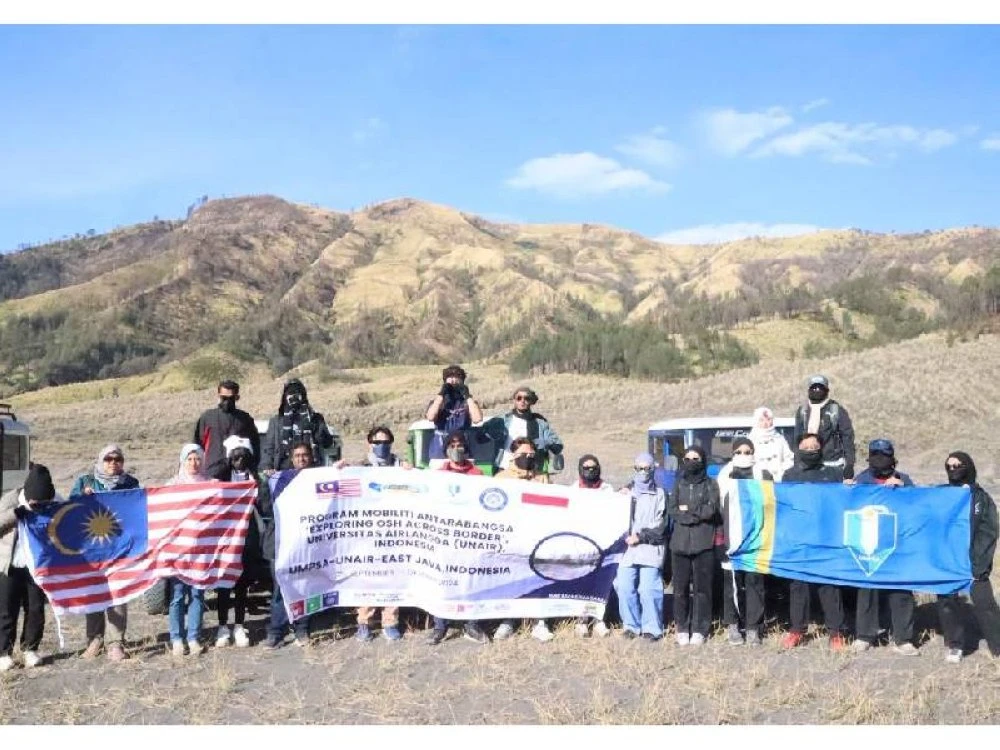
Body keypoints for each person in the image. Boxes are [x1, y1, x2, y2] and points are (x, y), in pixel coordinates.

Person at [71, 444, 141, 662]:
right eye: (108, 459)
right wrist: (82, 497)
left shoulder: (130, 483)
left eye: (117, 459)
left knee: (118, 593)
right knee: (94, 592)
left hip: (119, 548)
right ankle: (94, 639)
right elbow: (69, 509)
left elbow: (139, 509)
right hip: (92, 548)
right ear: (101, 461)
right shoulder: (85, 482)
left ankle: (115, 642)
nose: (113, 463)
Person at [849, 439, 917, 655]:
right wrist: (847, 491)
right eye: (875, 454)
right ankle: (864, 635)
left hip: (897, 545)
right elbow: (849, 508)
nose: (880, 458)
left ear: (892, 457)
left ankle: (903, 639)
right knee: (867, 591)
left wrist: (903, 490)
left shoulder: (903, 479)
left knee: (901, 592)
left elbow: (918, 506)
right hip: (869, 544)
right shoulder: (861, 479)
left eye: (884, 454)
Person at [780, 433, 847, 651]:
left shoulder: (833, 474)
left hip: (826, 537)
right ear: (798, 450)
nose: (810, 450)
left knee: (829, 586)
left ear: (821, 449)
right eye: (805, 447)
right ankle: (797, 630)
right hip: (800, 539)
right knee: (798, 586)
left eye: (814, 446)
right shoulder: (790, 475)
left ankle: (836, 633)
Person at [0, 464, 66, 672]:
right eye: (35, 503)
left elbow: (70, 522)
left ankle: (30, 649)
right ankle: (4, 653)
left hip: (37, 566)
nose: (38, 505)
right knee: (6, 611)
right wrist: (15, 514)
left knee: (36, 609)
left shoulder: (57, 501)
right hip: (10, 565)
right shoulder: (11, 499)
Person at [426, 431, 490, 646]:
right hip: (443, 537)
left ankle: (472, 625)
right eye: (452, 444)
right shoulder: (436, 475)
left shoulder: (478, 474)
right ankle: (439, 626)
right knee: (441, 580)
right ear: (445, 449)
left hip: (470, 537)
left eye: (460, 444)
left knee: (472, 580)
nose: (456, 448)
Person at [936, 451, 1000, 664]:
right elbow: (919, 507)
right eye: (949, 467)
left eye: (958, 466)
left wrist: (978, 563)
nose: (953, 470)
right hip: (947, 561)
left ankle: (997, 645)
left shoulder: (980, 497)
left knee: (986, 605)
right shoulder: (941, 495)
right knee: (947, 604)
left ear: (969, 467)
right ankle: (955, 645)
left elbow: (988, 531)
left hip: (973, 562)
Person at [494, 438, 556, 642]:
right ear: (513, 455)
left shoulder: (543, 478)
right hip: (512, 537)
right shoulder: (501, 478)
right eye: (524, 455)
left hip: (537, 537)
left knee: (539, 578)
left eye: (531, 455)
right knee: (511, 579)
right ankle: (509, 620)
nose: (528, 458)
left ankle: (540, 621)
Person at [353, 425, 410, 641]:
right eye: (377, 443)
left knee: (393, 576)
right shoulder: (361, 467)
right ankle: (364, 622)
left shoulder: (400, 466)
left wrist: (411, 473)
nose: (382, 446)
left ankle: (390, 621)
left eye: (386, 443)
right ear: (370, 443)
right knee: (368, 577)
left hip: (395, 530)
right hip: (368, 531)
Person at [716, 438, 771, 646]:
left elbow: (771, 505)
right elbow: (718, 510)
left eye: (748, 451)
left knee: (755, 583)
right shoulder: (724, 476)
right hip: (731, 539)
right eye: (739, 451)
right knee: (731, 584)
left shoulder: (763, 474)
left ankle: (753, 628)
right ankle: (732, 625)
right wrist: (721, 539)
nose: (743, 454)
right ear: (732, 453)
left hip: (756, 538)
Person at [215, 435, 268, 649]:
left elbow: (264, 504)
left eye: (243, 456)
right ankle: (221, 626)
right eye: (235, 457)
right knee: (223, 583)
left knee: (241, 583)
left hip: (248, 537)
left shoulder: (256, 479)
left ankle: (239, 624)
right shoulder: (220, 480)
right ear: (229, 458)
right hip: (225, 538)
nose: (239, 460)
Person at [261, 441, 315, 648]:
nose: (301, 458)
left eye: (305, 455)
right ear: (292, 459)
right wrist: (267, 482)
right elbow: (265, 507)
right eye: (297, 455)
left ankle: (302, 629)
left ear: (310, 458)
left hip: (306, 543)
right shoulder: (280, 479)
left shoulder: (319, 478)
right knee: (279, 589)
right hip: (280, 542)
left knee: (304, 586)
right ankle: (276, 631)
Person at [667, 445, 720, 647]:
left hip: (703, 543)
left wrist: (690, 514)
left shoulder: (710, 484)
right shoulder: (678, 483)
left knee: (702, 590)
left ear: (703, 460)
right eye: (687, 458)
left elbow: (711, 508)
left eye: (695, 458)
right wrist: (691, 514)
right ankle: (682, 627)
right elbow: (673, 509)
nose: (691, 462)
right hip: (679, 544)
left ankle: (700, 628)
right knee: (679, 589)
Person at [614, 453, 668, 642]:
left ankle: (652, 628)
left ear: (653, 469)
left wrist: (641, 536)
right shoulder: (623, 493)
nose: (643, 472)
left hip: (650, 548)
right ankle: (630, 625)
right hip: (626, 551)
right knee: (624, 586)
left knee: (648, 589)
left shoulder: (661, 494)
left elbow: (663, 526)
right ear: (634, 469)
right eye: (639, 468)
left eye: (647, 468)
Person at [166, 444, 214, 656]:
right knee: (177, 596)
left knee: (197, 595)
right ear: (182, 461)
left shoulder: (210, 484)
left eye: (197, 459)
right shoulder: (172, 486)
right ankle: (176, 638)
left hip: (201, 551)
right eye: (189, 459)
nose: (194, 463)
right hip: (179, 551)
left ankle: (193, 637)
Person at [261, 378, 340, 473]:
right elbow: (269, 448)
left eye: (297, 392)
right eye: (290, 393)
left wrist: (315, 426)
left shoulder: (315, 418)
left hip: (312, 469)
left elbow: (327, 443)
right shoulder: (276, 421)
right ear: (285, 397)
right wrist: (267, 466)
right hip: (284, 471)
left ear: (303, 395)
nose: (293, 396)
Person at [575, 454, 614, 638]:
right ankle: (581, 621)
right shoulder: (573, 489)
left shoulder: (608, 489)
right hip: (580, 542)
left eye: (594, 467)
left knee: (600, 582)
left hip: (602, 543)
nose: (590, 471)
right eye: (586, 467)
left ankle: (599, 620)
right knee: (582, 581)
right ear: (580, 470)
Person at [482, 387, 563, 475]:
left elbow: (557, 445)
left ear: (531, 401)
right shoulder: (503, 420)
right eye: (519, 398)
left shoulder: (540, 423)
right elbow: (483, 432)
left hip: (531, 471)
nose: (522, 401)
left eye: (526, 398)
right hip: (505, 468)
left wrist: (542, 443)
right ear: (514, 400)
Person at [193, 379, 260, 481]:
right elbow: (197, 445)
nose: (227, 402)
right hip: (213, 473)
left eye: (231, 398)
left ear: (237, 397)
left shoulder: (245, 419)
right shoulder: (208, 417)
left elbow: (255, 446)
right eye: (224, 398)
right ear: (219, 396)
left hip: (238, 473)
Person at [793, 375, 856, 481]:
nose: (817, 391)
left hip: (832, 465)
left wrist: (849, 464)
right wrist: (797, 462)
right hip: (807, 464)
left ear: (827, 391)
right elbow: (797, 439)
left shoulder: (836, 410)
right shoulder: (802, 411)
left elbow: (848, 438)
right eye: (814, 388)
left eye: (820, 388)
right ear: (809, 390)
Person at [425, 366, 483, 461]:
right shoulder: (438, 402)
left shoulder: (468, 402)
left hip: (461, 446)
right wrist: (442, 394)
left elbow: (477, 419)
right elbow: (430, 417)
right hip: (440, 449)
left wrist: (467, 396)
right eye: (450, 377)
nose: (453, 380)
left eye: (457, 377)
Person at [748, 406, 793, 481]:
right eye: (761, 420)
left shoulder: (780, 439)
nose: (765, 423)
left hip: (779, 479)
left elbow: (790, 458)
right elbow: (747, 460)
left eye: (768, 419)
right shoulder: (751, 440)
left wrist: (781, 469)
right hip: (758, 481)